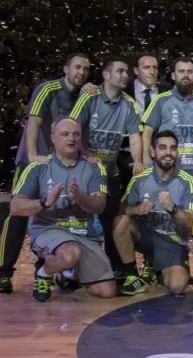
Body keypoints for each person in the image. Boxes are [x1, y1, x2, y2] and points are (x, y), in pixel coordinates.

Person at [0, 52, 91, 294]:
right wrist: (32, 156)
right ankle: (3, 272)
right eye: (77, 67)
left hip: (59, 165)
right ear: (65, 69)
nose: (82, 72)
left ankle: (47, 271)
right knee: (18, 214)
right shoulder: (47, 89)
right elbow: (33, 121)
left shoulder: (83, 96)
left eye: (86, 69)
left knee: (52, 216)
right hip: (34, 163)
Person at [10, 118, 115, 301]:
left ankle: (66, 273)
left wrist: (80, 197)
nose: (71, 139)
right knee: (69, 253)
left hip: (83, 234)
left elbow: (99, 207)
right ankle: (44, 273)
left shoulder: (94, 167)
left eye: (76, 134)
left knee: (107, 291)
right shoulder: (38, 167)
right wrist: (45, 202)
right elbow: (15, 207)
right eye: (65, 134)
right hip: (49, 230)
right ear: (53, 138)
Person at [70, 55, 144, 275]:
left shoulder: (129, 103)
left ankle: (115, 267)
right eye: (120, 71)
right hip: (82, 171)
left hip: (109, 172)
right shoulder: (89, 97)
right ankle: (71, 268)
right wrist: (84, 155)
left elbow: (135, 136)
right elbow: (72, 128)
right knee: (77, 219)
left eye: (126, 72)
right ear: (106, 75)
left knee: (112, 219)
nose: (125, 75)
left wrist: (138, 161)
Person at [113, 130, 193, 296]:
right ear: (153, 152)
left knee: (177, 287)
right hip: (146, 236)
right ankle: (132, 276)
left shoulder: (189, 182)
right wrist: (136, 209)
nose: (168, 152)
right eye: (163, 147)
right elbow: (122, 210)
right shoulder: (139, 179)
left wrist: (172, 208)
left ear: (177, 152)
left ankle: (160, 269)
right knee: (120, 222)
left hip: (172, 241)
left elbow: (188, 222)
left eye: (173, 148)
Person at [141, 57, 193, 176]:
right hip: (166, 168)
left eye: (189, 71)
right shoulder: (161, 100)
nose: (185, 75)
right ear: (173, 75)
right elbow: (147, 132)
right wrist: (146, 156)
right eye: (181, 71)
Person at [116, 53, 172, 191]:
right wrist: (87, 86)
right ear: (136, 70)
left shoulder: (166, 89)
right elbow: (104, 89)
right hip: (127, 151)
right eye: (146, 67)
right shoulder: (124, 86)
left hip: (157, 152)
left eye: (155, 68)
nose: (152, 72)